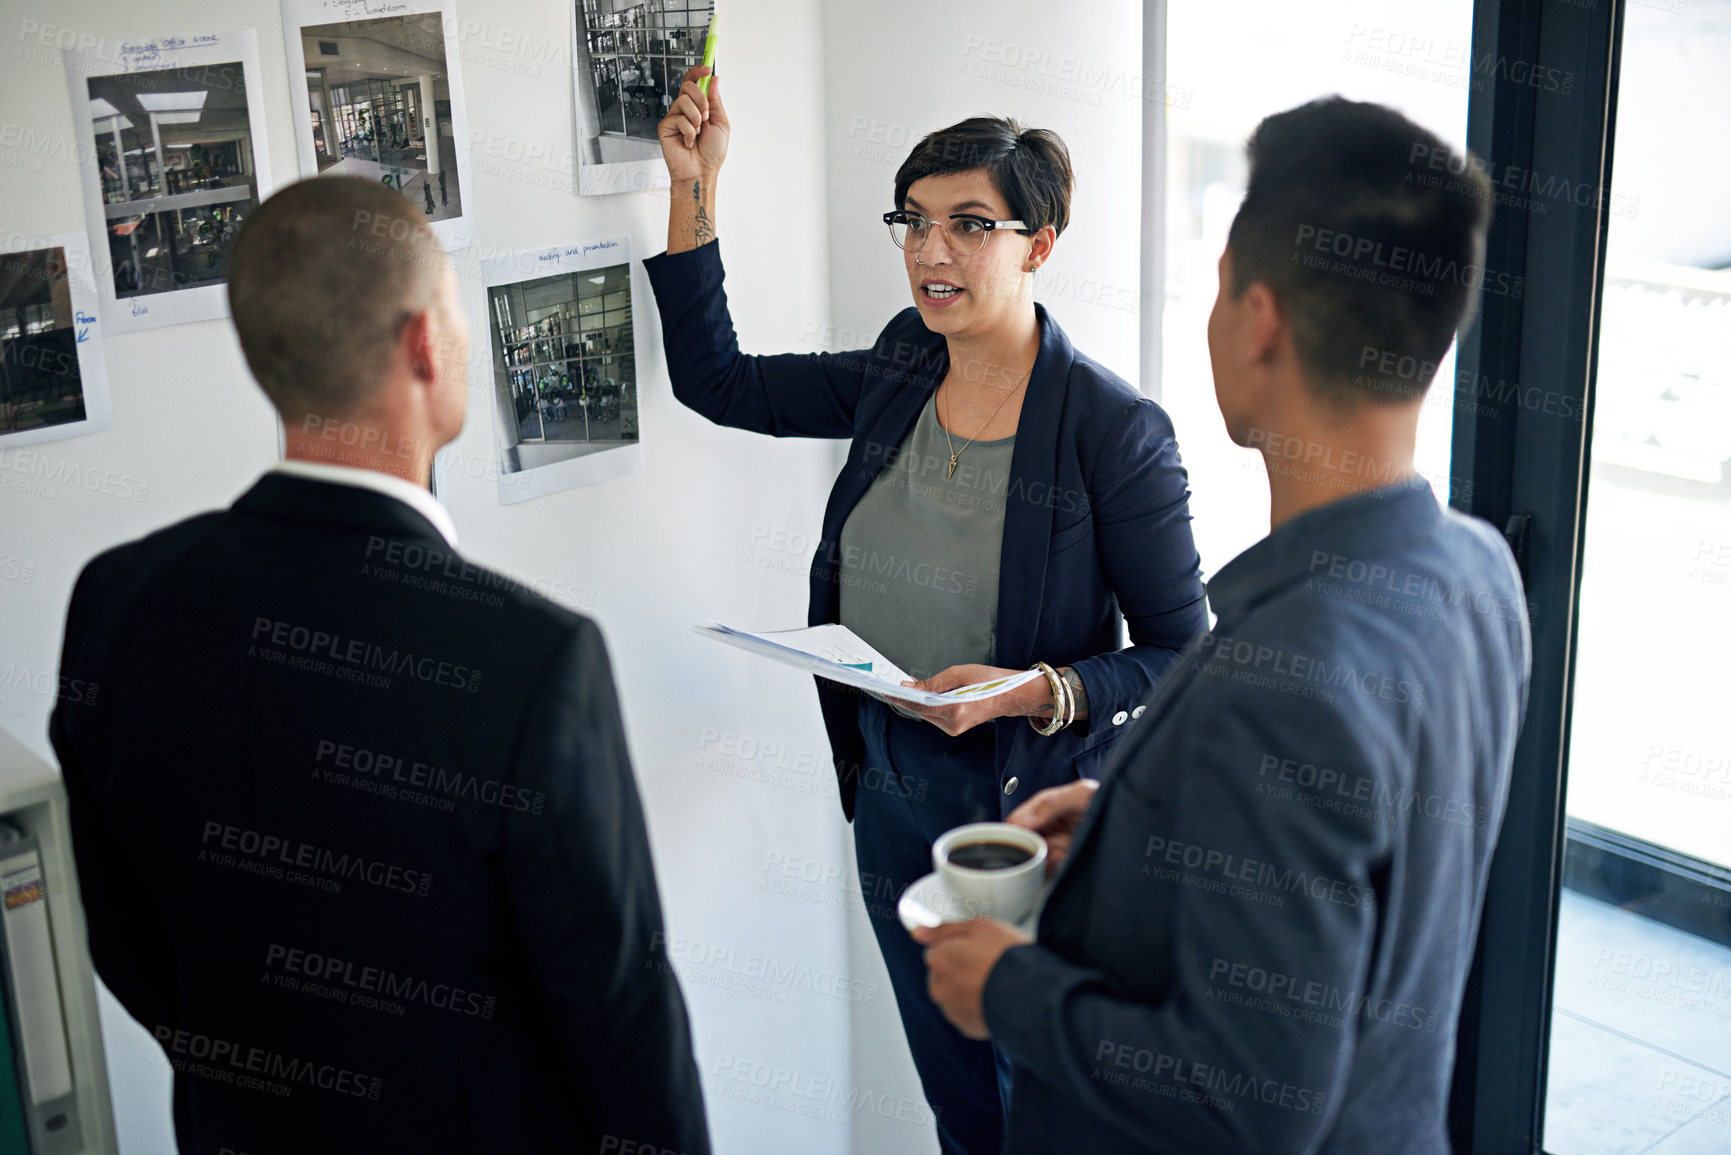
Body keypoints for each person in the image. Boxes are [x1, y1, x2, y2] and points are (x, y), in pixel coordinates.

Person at [915, 96, 1532, 1154]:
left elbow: (1250, 1102)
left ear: (1258, 322)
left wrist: (1010, 991)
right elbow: (1349, 893)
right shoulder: (1480, 571)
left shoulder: (1285, 676)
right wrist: (1123, 829)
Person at [49, 176, 710, 1155]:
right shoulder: (532, 661)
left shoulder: (118, 600)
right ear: (420, 343)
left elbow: (124, 937)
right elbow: (620, 1016)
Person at [647, 66, 1207, 1154]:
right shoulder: (906, 364)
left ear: (1039, 244)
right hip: (893, 788)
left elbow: (1185, 653)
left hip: (1017, 811)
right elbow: (719, 381)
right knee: (959, 1099)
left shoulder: (1113, 431)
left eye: (969, 226)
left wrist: (1038, 690)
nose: (930, 252)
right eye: (914, 222)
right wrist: (696, 184)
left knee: (1025, 1103)